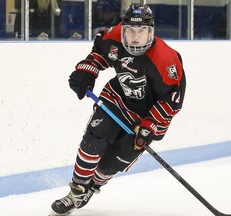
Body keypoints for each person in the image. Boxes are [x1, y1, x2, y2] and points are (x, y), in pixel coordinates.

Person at [49, 4, 186, 216]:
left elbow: (172, 101)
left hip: (148, 115)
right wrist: (88, 70)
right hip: (118, 98)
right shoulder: (114, 37)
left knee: (115, 159)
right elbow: (99, 54)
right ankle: (76, 191)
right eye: (130, 29)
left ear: (151, 32)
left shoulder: (166, 59)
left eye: (141, 31)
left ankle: (92, 187)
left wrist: (150, 125)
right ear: (123, 28)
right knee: (94, 140)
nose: (134, 37)